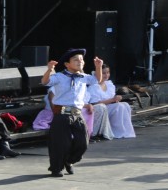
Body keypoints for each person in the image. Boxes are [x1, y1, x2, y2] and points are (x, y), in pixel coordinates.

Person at [41, 48, 103, 177]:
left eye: (81, 59)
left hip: (77, 114)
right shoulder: (59, 76)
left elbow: (97, 79)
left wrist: (98, 67)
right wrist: (49, 69)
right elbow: (45, 82)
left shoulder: (83, 77)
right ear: (67, 64)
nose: (80, 61)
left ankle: (69, 160)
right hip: (61, 114)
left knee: (83, 142)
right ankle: (56, 168)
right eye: (75, 60)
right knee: (60, 143)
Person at [88, 64, 135, 139]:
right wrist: (112, 100)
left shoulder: (109, 84)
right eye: (104, 73)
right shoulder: (93, 87)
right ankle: (115, 131)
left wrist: (116, 99)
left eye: (108, 72)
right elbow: (94, 104)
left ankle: (124, 131)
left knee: (125, 105)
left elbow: (112, 99)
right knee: (118, 107)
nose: (106, 75)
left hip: (109, 106)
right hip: (100, 110)